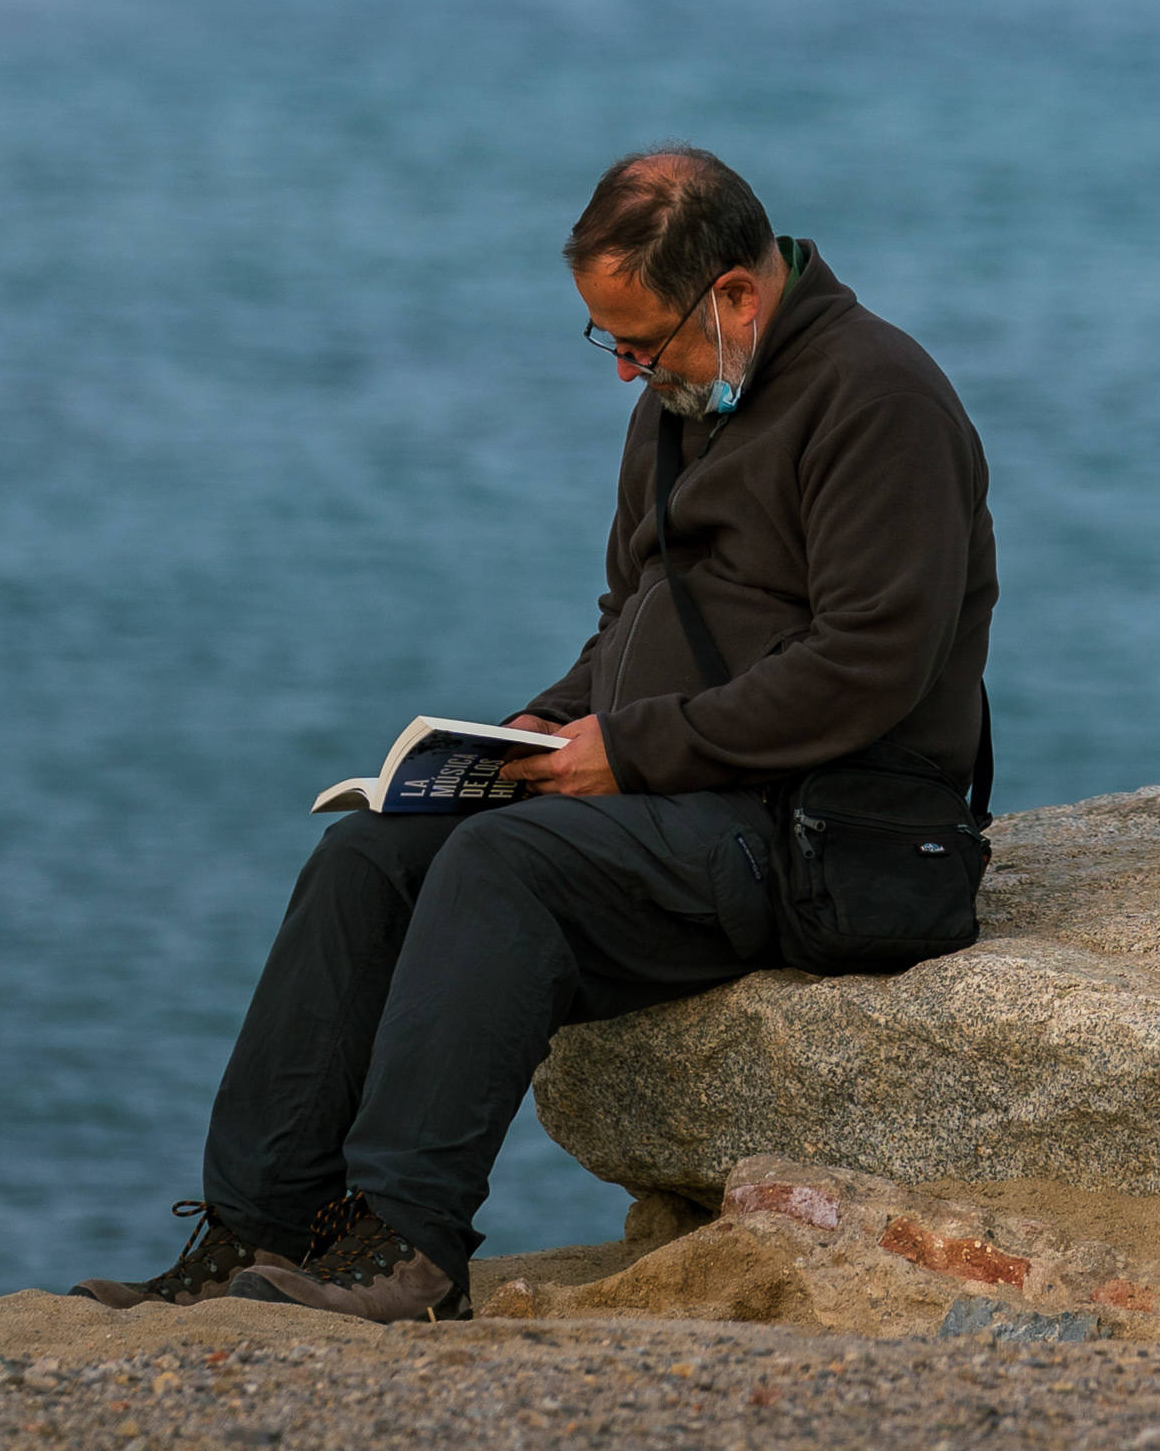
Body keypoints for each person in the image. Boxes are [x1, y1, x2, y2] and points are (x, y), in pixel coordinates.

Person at [71, 148, 998, 1325]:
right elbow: (634, 621)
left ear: (738, 295)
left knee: (502, 866)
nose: (624, 371)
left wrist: (631, 750)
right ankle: (263, 1222)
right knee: (368, 857)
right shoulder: (687, 395)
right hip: (687, 804)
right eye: (606, 342)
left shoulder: (882, 400)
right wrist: (541, 727)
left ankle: (406, 1246)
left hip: (825, 839)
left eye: (642, 340)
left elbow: (869, 668)